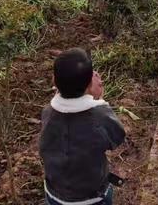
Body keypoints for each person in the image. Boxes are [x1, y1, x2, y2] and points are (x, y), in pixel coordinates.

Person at [39, 48, 126, 205]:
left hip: (54, 194)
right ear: (89, 85)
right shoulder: (99, 116)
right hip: (92, 198)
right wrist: (99, 100)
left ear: (54, 81)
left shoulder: (48, 112)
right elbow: (117, 136)